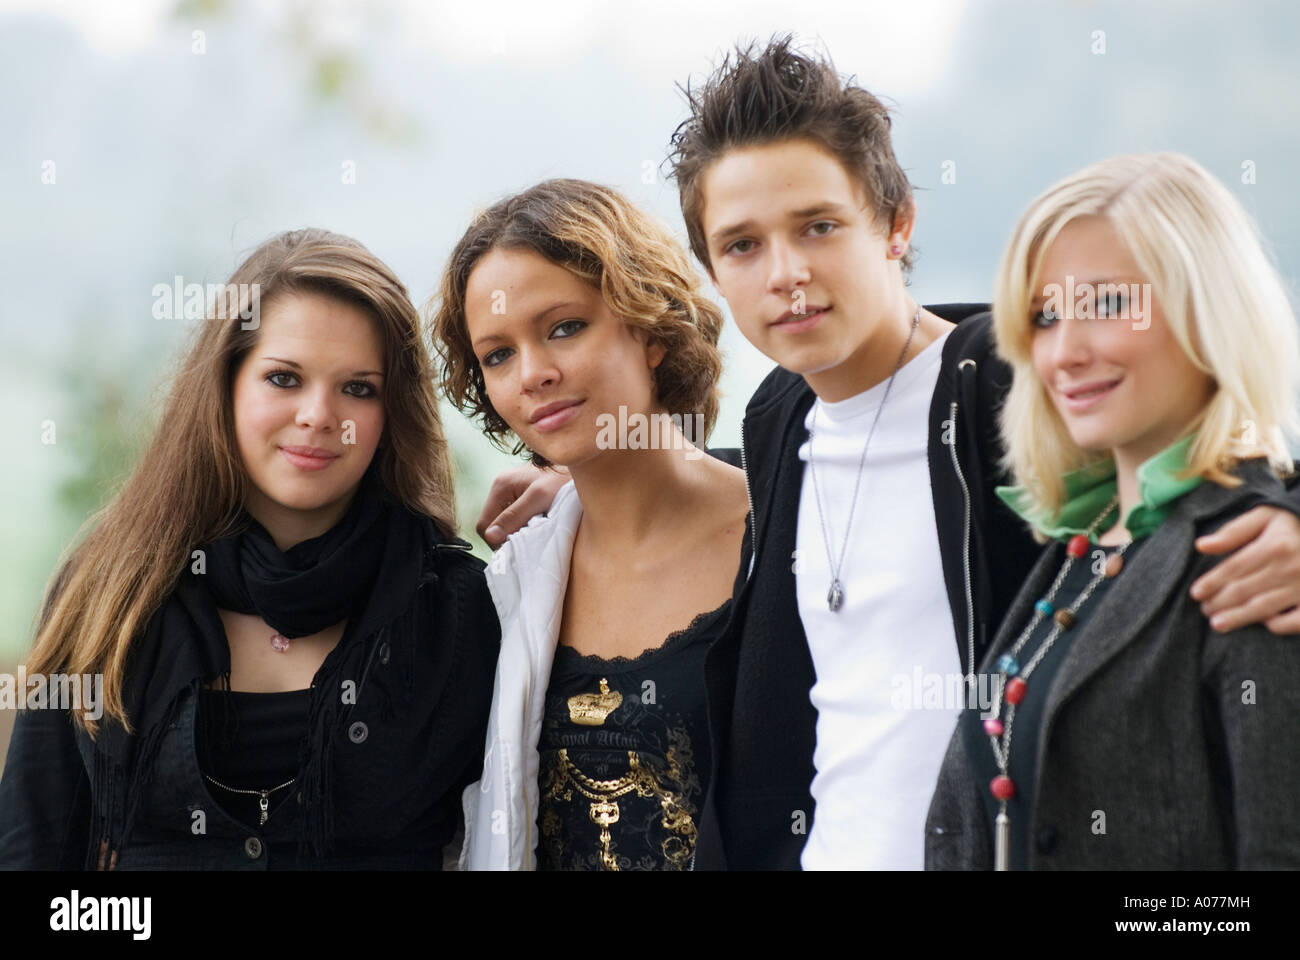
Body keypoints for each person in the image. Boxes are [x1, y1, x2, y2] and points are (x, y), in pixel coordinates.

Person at [480, 36, 1300, 869]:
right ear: (710, 273)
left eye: (819, 226)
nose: (787, 273)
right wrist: (583, 478)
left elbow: (1203, 415)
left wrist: (1287, 513)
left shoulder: (1012, 384)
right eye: (743, 245)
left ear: (897, 222)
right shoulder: (780, 422)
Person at [0, 229, 499, 869]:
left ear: (392, 410)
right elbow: (33, 851)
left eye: (359, 388)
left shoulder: (455, 607)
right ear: (226, 385)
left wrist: (572, 506)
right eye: (284, 378)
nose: (320, 414)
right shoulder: (111, 585)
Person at [925, 153, 1300, 869]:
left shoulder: (1256, 560)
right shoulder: (1085, 545)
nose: (1064, 352)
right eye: (1044, 315)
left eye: (1106, 304)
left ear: (1207, 311)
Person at [430, 178, 748, 870]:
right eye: (498, 355)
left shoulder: (780, 540)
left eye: (565, 328)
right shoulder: (514, 580)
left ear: (650, 327)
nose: (533, 374)